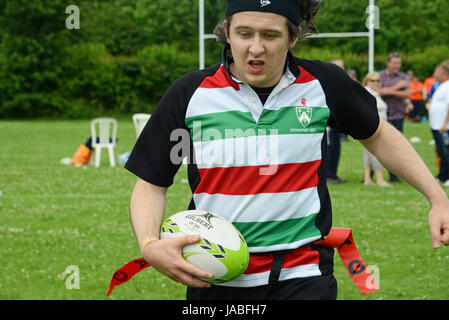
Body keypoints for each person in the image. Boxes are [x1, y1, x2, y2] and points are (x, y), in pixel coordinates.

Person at [124, 0, 449, 300]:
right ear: (226, 31)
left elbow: (378, 136)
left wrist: (437, 198)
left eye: (270, 35)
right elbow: (152, 181)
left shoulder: (323, 83)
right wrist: (150, 243)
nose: (255, 48)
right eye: (243, 33)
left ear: (293, 37)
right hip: (213, 279)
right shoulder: (189, 92)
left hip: (304, 276)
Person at [378, 52, 412, 182]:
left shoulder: (403, 76)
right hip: (381, 116)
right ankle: (372, 175)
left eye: (399, 63)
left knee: (396, 147)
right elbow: (378, 92)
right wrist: (397, 88)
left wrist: (389, 91)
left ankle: (394, 175)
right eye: (394, 63)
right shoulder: (380, 75)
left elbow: (408, 93)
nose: (397, 65)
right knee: (380, 145)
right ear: (388, 64)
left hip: (397, 116)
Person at [362, 72, 390, 187]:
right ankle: (379, 179)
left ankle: (367, 179)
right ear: (367, 81)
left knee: (368, 153)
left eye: (378, 80)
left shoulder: (374, 93)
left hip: (372, 126)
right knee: (376, 152)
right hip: (374, 126)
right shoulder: (368, 92)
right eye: (372, 80)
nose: (375, 83)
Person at [428, 61, 449, 186]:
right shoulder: (440, 85)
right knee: (440, 152)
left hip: (443, 127)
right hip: (436, 125)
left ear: (445, 75)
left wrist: (445, 124)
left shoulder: (447, 86)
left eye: (437, 72)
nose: (434, 75)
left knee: (446, 152)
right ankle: (442, 176)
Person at [326, 58, 347, 184]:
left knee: (336, 148)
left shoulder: (342, 83)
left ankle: (333, 174)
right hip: (327, 122)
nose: (341, 68)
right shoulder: (325, 82)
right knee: (329, 147)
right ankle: (328, 174)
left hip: (337, 122)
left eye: (342, 66)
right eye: (338, 66)